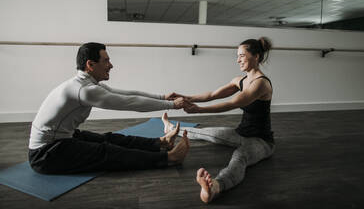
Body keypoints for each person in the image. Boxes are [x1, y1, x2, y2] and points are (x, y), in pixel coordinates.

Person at [28, 42, 189, 174]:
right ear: (90, 64)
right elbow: (131, 103)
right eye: (106, 61)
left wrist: (162, 97)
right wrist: (172, 105)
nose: (111, 65)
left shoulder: (85, 84)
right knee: (106, 152)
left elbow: (127, 94)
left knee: (109, 138)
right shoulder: (84, 90)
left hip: (61, 139)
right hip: (45, 154)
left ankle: (161, 142)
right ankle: (170, 158)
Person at [167, 37, 275, 203]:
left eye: (242, 55)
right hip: (241, 133)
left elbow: (233, 103)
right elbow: (212, 95)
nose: (238, 59)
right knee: (207, 132)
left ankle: (215, 187)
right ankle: (171, 129)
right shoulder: (240, 80)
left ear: (256, 57)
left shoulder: (261, 84)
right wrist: (184, 96)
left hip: (261, 141)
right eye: (237, 56)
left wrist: (199, 110)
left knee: (240, 157)